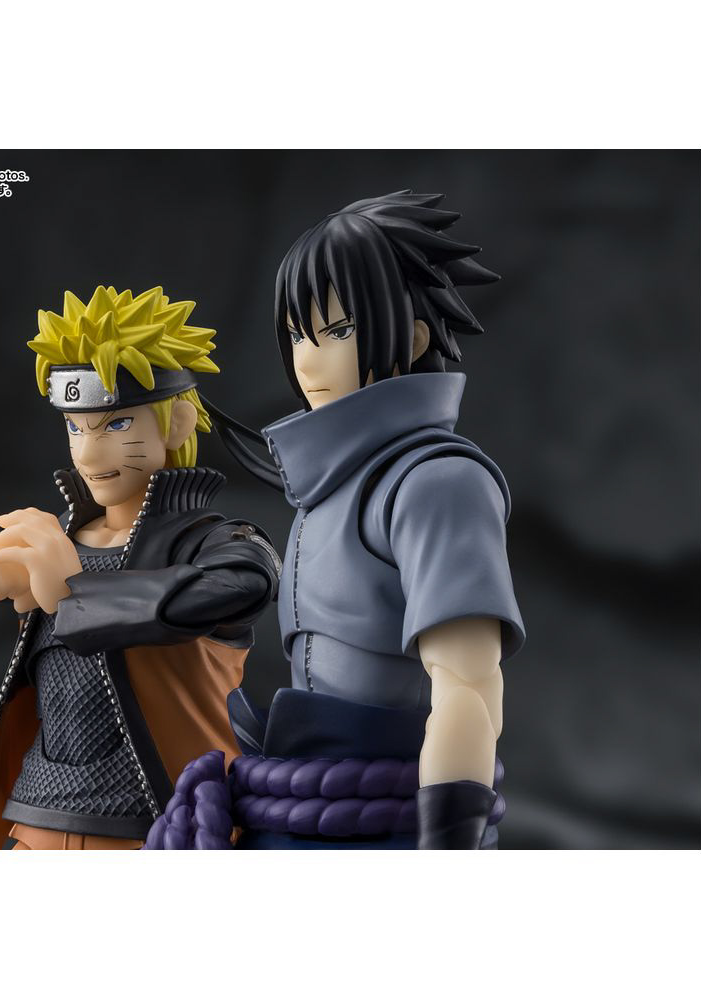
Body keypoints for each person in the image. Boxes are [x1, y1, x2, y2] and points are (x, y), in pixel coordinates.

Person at [0, 285, 280, 849]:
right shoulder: (54, 540)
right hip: (40, 815)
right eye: (76, 426)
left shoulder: (217, 543)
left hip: (162, 822)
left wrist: (71, 590)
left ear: (176, 423)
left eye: (116, 425)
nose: (88, 453)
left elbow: (240, 585)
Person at [147, 193, 524, 850]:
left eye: (338, 331)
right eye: (298, 334)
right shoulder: (329, 487)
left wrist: (448, 840)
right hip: (298, 798)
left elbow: (468, 681)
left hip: (384, 823)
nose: (308, 360)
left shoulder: (437, 483)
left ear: (413, 336)